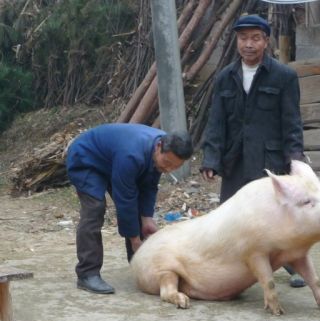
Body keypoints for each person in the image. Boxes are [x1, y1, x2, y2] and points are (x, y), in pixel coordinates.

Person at [200, 14, 307, 288]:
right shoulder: (226, 77)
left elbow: (292, 123)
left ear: (266, 41)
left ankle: (291, 265)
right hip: (235, 160)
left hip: (268, 161)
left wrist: (294, 161)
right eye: (243, 38)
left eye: (255, 38)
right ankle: (232, 268)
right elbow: (216, 123)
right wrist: (211, 159)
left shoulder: (284, 77)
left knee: (277, 218)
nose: (249, 44)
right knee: (231, 215)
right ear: (237, 41)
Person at [66, 124, 193, 294]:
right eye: (167, 163)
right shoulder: (131, 154)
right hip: (86, 158)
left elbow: (148, 187)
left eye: (175, 167)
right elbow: (125, 200)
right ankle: (87, 273)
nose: (168, 169)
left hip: (112, 159)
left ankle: (137, 262)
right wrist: (135, 240)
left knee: (138, 210)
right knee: (95, 208)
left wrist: (147, 218)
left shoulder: (162, 149)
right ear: (158, 147)